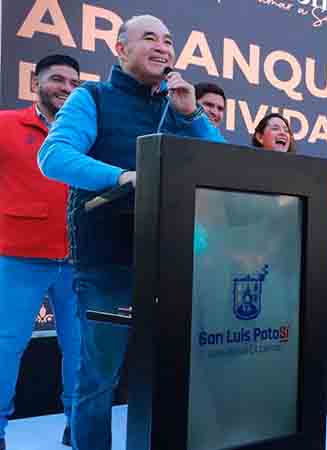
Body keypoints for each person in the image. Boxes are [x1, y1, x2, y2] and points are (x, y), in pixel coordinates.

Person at [38, 15, 225, 450]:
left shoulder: (178, 108)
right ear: (120, 49)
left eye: (169, 41)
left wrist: (192, 113)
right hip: (107, 266)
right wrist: (122, 177)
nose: (163, 47)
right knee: (98, 380)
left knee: (168, 375)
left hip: (172, 265)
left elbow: (221, 167)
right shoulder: (92, 97)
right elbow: (54, 156)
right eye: (149, 38)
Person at [0, 54, 82, 450]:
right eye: (57, 79)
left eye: (73, 83)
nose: (66, 88)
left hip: (78, 261)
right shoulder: (5, 124)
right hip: (18, 257)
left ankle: (79, 427)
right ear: (36, 83)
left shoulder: (86, 133)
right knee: (5, 348)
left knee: (81, 352)